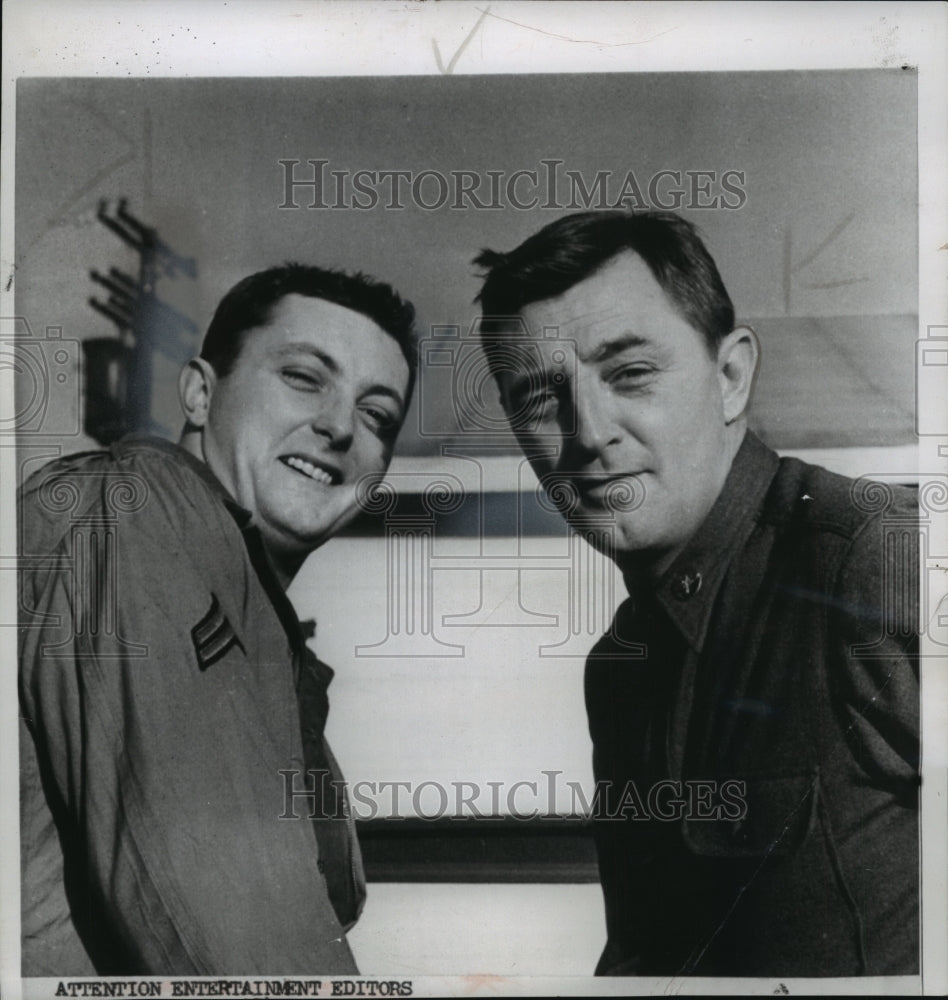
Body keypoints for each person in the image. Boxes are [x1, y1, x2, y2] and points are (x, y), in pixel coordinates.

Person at [473, 211, 919, 977]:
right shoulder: (622, 666)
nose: (590, 434)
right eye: (541, 399)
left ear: (731, 376)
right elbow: (645, 954)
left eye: (630, 373)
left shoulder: (875, 556)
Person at [18, 263, 416, 975]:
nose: (339, 426)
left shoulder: (248, 610)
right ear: (201, 394)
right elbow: (238, 936)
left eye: (377, 416)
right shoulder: (140, 514)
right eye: (304, 377)